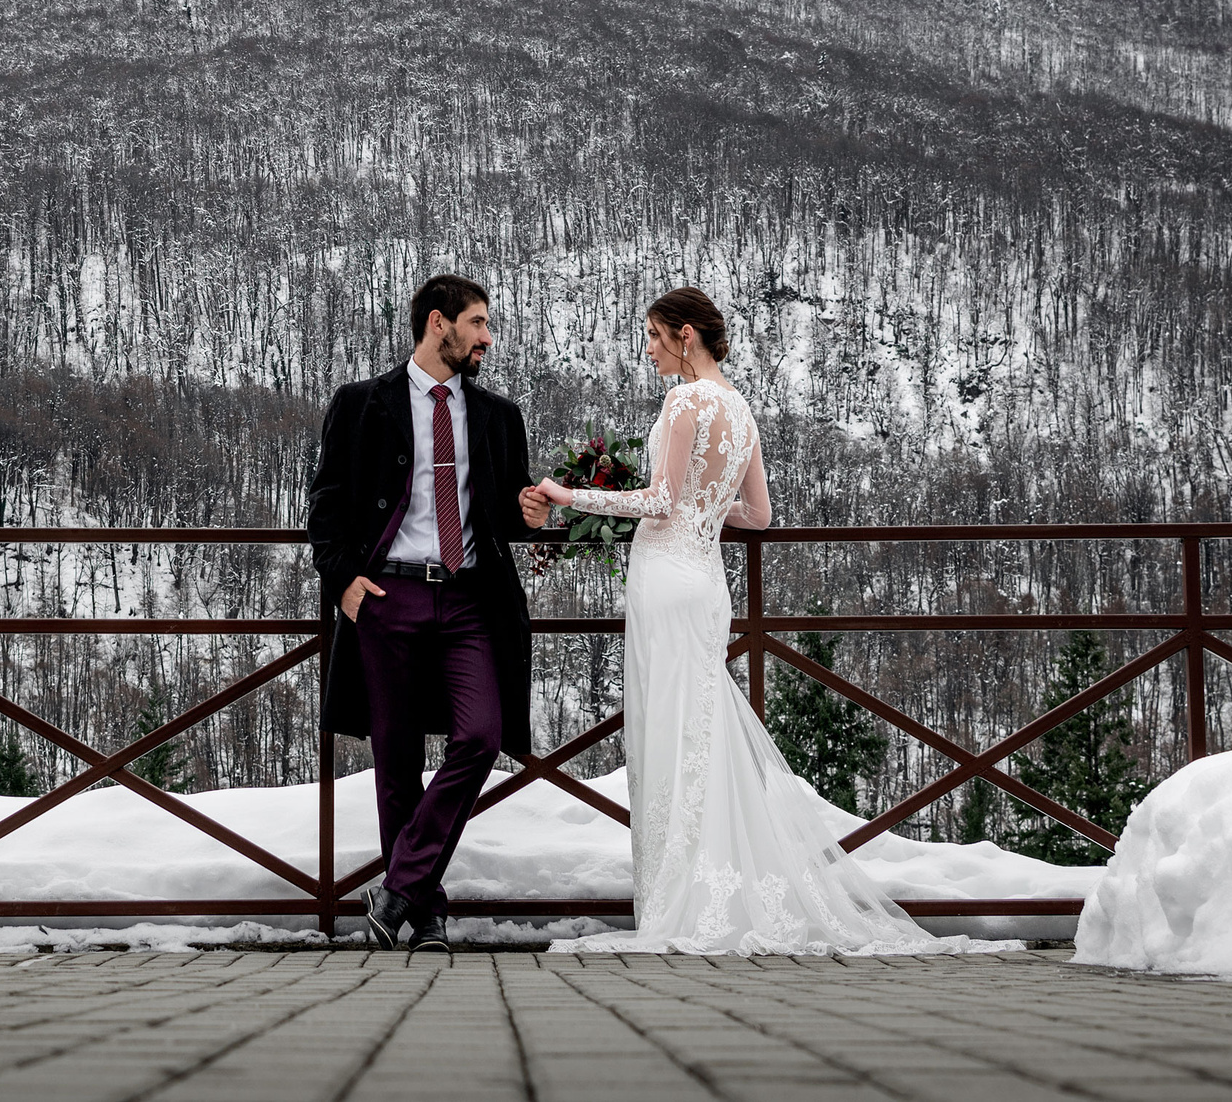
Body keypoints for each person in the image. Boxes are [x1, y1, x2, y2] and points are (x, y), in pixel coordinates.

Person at [524, 286, 986, 954]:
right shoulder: (740, 408)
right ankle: (717, 887)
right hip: (707, 581)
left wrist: (570, 495)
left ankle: (679, 899)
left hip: (668, 579)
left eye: (653, 336)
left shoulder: (685, 400)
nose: (648, 349)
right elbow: (759, 516)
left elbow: (657, 500)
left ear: (686, 336)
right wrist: (702, 513)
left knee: (673, 730)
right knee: (702, 730)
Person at [309, 273, 546, 952]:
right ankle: (425, 911)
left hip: (472, 598)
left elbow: (504, 517)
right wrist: (346, 584)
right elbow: (324, 509)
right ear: (438, 323)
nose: (487, 337)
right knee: (397, 758)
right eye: (477, 323)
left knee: (480, 736)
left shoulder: (499, 415)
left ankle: (398, 889)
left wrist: (527, 515)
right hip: (388, 596)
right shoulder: (361, 404)